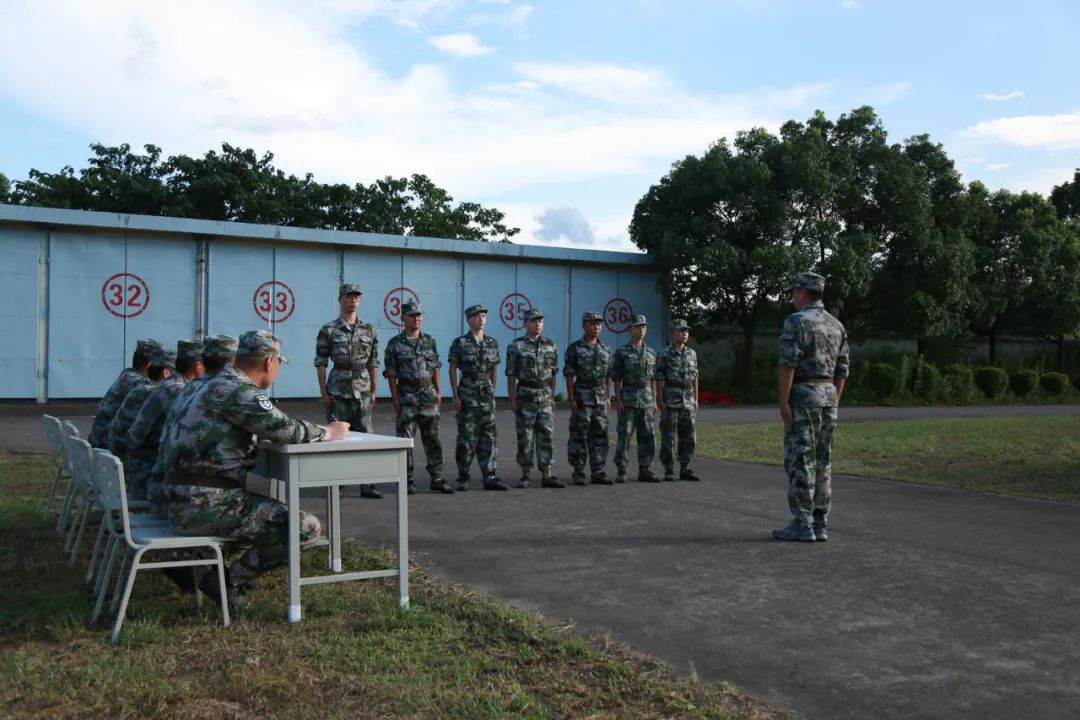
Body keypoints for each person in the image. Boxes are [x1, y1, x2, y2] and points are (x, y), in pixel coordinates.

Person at [163, 330, 349, 601]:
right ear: (269, 362)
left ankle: (198, 566)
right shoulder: (239, 390)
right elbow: (287, 429)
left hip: (178, 498)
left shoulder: (207, 384)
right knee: (306, 528)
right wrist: (328, 431)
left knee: (266, 512)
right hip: (204, 505)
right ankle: (224, 581)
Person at [773, 272, 849, 543]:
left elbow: (788, 363)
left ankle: (802, 523)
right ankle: (820, 522)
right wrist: (833, 400)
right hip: (828, 396)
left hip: (804, 396)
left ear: (803, 293)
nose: (793, 297)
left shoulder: (796, 322)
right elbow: (842, 370)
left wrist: (783, 402)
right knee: (823, 461)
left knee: (800, 460)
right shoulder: (837, 325)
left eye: (794, 292)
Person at [314, 282, 381, 499]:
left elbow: (373, 362)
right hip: (338, 388)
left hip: (362, 388)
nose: (353, 300)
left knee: (365, 437)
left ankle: (367, 485)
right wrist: (324, 392)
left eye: (357, 297)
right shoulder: (329, 329)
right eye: (349, 297)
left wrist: (373, 390)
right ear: (340, 299)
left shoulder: (369, 329)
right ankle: (337, 485)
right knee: (336, 438)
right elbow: (321, 362)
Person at [127, 339, 205, 517]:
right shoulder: (175, 390)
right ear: (198, 366)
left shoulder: (170, 384)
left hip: (140, 466)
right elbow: (194, 429)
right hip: (145, 474)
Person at [384, 301, 449, 495]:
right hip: (407, 397)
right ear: (403, 318)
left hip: (428, 396)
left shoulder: (429, 341)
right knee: (405, 441)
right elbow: (391, 374)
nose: (417, 319)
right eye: (412, 316)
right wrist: (395, 398)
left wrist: (438, 392)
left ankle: (436, 477)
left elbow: (435, 368)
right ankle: (407, 480)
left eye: (419, 315)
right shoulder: (395, 344)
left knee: (433, 439)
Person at [448, 304, 506, 491]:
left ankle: (489, 475)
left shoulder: (491, 343)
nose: (481, 319)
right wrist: (455, 396)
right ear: (469, 320)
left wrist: (493, 394)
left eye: (483, 316)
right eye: (477, 316)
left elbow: (493, 370)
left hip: (486, 395)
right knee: (466, 438)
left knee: (489, 437)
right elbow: (452, 368)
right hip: (467, 393)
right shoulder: (460, 343)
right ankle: (463, 476)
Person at [108, 347, 176, 499]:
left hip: (117, 464)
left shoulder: (142, 388)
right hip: (135, 473)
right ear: (166, 373)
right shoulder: (158, 393)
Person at [505, 308, 562, 489]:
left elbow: (553, 372)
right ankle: (525, 473)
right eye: (534, 321)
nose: (538, 324)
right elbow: (511, 374)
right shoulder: (517, 346)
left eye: (540, 321)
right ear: (525, 323)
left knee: (546, 435)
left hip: (544, 396)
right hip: (526, 396)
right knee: (525, 437)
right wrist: (512, 398)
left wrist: (552, 395)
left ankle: (547, 473)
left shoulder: (550, 345)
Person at [563, 311, 613, 486]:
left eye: (599, 324)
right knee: (579, 436)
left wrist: (608, 396)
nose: (596, 327)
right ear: (584, 325)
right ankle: (578, 471)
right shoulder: (575, 348)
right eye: (592, 323)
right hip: (582, 396)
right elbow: (569, 375)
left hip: (600, 398)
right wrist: (571, 399)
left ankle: (598, 470)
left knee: (600, 435)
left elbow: (609, 375)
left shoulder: (605, 349)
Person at [88, 338, 162, 448]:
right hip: (107, 443)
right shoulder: (141, 383)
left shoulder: (127, 374)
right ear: (150, 364)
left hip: (98, 438)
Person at [612, 315, 658, 483]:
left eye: (644, 327)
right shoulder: (622, 352)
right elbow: (616, 377)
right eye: (638, 327)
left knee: (647, 435)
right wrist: (618, 399)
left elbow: (652, 379)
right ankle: (621, 469)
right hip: (629, 397)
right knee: (624, 435)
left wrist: (654, 399)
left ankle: (645, 469)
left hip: (646, 399)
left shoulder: (651, 352)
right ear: (630, 329)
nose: (641, 329)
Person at [655, 319, 700, 482]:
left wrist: (696, 398)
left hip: (687, 398)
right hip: (671, 398)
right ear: (673, 333)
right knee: (669, 436)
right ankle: (668, 469)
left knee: (689, 437)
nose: (684, 333)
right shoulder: (665, 354)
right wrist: (660, 400)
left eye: (686, 331)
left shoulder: (692, 354)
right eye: (681, 330)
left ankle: (685, 468)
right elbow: (659, 378)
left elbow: (695, 376)